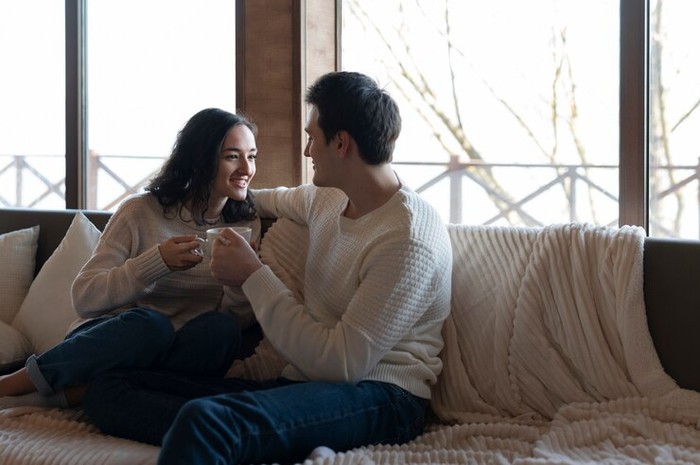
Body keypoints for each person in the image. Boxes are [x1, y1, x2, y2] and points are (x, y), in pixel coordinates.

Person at [82, 71, 453, 464]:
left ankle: (230, 431)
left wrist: (252, 275)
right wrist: (192, 196)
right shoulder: (327, 199)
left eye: (312, 138)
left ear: (341, 143)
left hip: (380, 395)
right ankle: (254, 435)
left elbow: (342, 365)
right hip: (302, 385)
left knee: (206, 421)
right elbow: (259, 198)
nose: (307, 151)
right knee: (109, 390)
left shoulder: (408, 238)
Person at [0, 108, 261, 409]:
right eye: (232, 156)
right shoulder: (140, 211)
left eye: (252, 156)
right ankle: (10, 385)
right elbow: (84, 297)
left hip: (177, 355)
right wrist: (156, 263)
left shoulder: (246, 224)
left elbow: (236, 319)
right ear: (199, 159)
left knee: (221, 330)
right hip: (117, 336)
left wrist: (238, 282)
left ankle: (75, 394)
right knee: (152, 327)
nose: (246, 168)